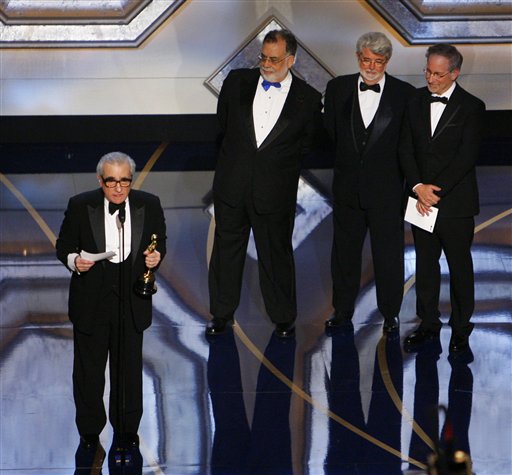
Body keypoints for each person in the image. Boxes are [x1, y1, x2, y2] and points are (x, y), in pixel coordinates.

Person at [206, 29, 322, 338]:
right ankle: (220, 314)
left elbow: (305, 145)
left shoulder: (308, 100)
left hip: (274, 193)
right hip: (233, 186)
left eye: (273, 59)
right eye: (263, 57)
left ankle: (283, 318)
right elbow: (224, 123)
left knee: (276, 256)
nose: (266, 64)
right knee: (226, 254)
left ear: (291, 60)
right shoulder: (236, 83)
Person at [56, 151, 166, 451]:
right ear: (100, 180)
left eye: (125, 182)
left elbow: (159, 242)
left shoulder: (149, 204)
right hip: (91, 302)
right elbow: (63, 246)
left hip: (132, 303)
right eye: (111, 182)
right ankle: (90, 430)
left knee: (129, 372)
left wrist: (156, 258)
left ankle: (128, 428)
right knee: (89, 373)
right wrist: (74, 260)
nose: (118, 189)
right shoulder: (81, 206)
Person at [324, 32, 414, 333]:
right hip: (347, 192)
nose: (371, 66)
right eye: (366, 60)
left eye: (378, 61)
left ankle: (390, 314)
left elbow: (407, 146)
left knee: (388, 258)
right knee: (344, 256)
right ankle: (342, 311)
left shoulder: (405, 94)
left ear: (386, 61)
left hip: (386, 195)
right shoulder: (337, 88)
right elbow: (332, 136)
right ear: (357, 57)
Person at [400, 44, 485, 353]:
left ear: (454, 73)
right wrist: (418, 187)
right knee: (425, 264)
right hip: (420, 199)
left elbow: (466, 157)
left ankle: (461, 329)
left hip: (455, 203)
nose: (430, 79)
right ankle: (428, 323)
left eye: (437, 74)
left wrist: (434, 191)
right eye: (427, 71)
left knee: (459, 266)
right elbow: (405, 148)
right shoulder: (414, 101)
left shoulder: (472, 107)